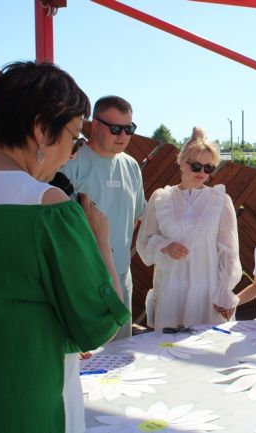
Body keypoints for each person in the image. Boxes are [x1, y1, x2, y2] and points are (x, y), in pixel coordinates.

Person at [0, 61, 129, 433]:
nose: (71, 153)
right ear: (40, 130)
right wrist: (100, 239)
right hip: (21, 404)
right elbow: (100, 323)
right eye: (73, 137)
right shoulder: (45, 206)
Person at [136, 127, 241, 330]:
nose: (202, 172)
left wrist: (224, 292)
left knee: (205, 352)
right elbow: (144, 241)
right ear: (182, 164)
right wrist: (165, 246)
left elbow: (229, 252)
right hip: (170, 291)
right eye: (196, 166)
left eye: (208, 168)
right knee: (167, 352)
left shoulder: (220, 201)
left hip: (207, 294)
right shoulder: (161, 198)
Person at [62, 95, 145, 340]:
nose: (123, 136)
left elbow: (137, 215)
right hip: (85, 279)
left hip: (122, 276)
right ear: (95, 125)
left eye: (129, 129)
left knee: (120, 360)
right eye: (116, 129)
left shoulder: (131, 166)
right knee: (88, 361)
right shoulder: (71, 165)